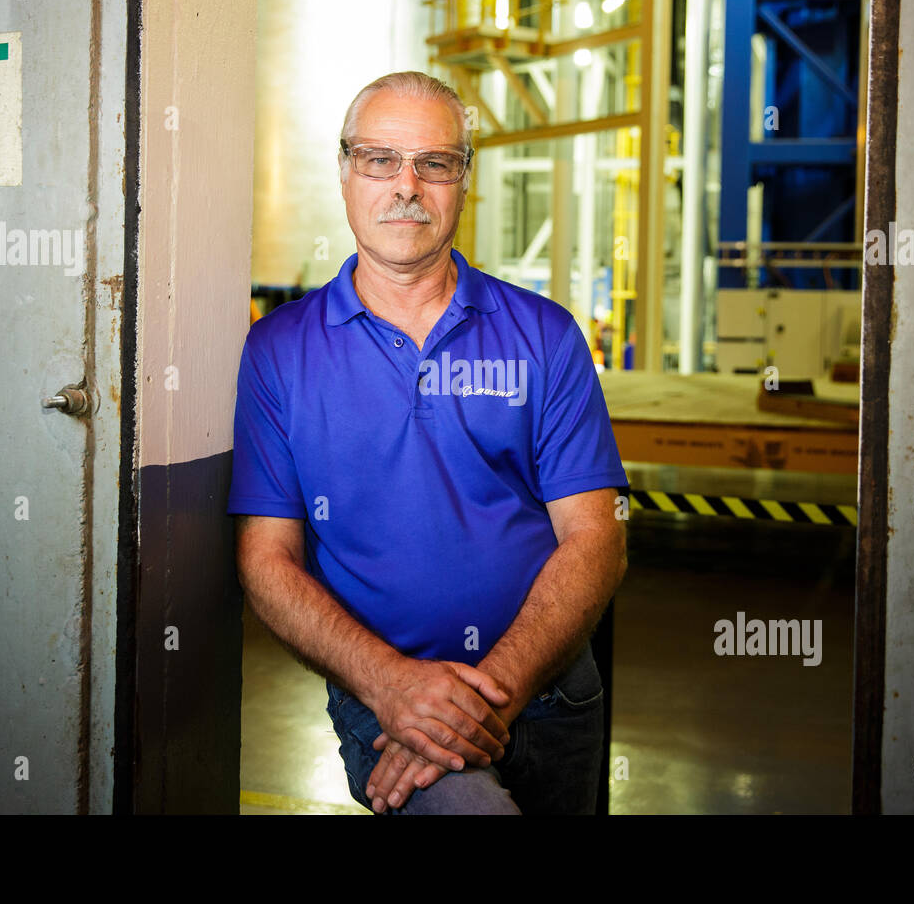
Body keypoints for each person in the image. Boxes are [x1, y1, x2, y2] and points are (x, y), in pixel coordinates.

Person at [227, 71, 628, 814]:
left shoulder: (544, 335)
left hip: (552, 698)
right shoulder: (279, 352)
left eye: (434, 163)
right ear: (346, 172)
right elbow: (265, 561)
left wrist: (490, 698)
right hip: (381, 705)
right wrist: (392, 686)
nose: (406, 185)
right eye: (379, 159)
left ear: (464, 181)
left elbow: (597, 539)